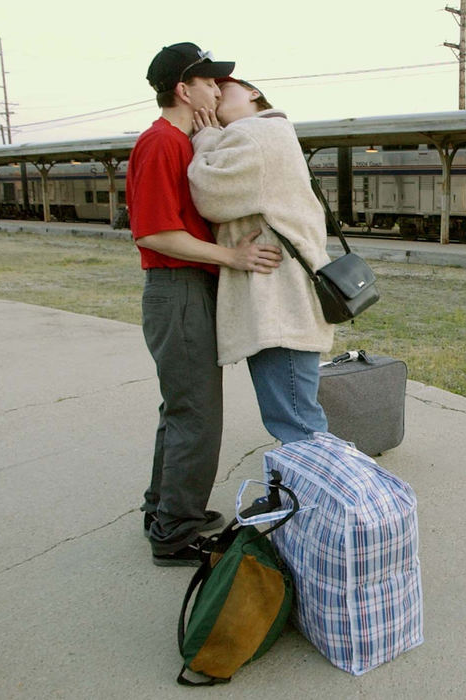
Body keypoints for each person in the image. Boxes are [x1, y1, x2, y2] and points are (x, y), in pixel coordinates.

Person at [127, 43, 283, 567]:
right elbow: (155, 233)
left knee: (181, 409)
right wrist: (233, 257)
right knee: (197, 414)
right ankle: (177, 531)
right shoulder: (161, 143)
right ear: (183, 89)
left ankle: (163, 510)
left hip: (185, 290)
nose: (218, 91)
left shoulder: (181, 141)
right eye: (210, 82)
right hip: (178, 289)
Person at [187, 77, 333, 444]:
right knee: (296, 413)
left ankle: (315, 496)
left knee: (295, 421)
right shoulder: (273, 133)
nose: (217, 95)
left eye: (225, 87)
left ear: (254, 92)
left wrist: (204, 139)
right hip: (287, 299)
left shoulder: (257, 132)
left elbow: (209, 192)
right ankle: (303, 491)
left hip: (278, 303)